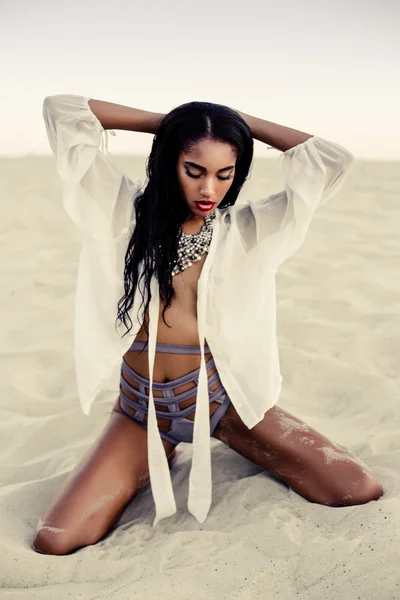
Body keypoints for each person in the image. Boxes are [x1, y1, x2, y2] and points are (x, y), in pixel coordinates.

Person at [32, 94, 383, 555]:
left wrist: (233, 123)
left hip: (221, 398)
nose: (209, 190)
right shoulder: (123, 211)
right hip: (140, 408)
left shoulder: (246, 229)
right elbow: (63, 111)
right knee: (56, 541)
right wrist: (175, 123)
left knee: (354, 489)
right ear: (167, 162)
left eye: (225, 173)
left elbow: (332, 161)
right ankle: (154, 454)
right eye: (194, 170)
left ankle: (201, 445)